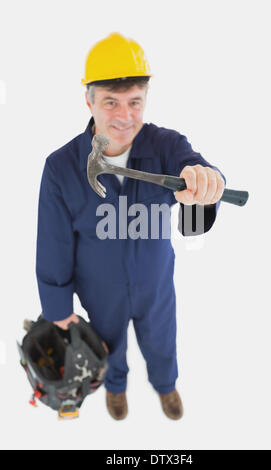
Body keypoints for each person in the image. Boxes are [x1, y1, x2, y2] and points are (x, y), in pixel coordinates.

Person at [36, 32, 226, 420]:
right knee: (109, 346)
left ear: (145, 100)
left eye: (134, 103)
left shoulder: (167, 147)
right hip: (98, 288)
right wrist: (57, 306)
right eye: (110, 102)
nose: (124, 117)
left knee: (162, 341)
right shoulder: (60, 167)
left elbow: (197, 171)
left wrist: (207, 182)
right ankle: (116, 389)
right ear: (88, 100)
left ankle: (166, 385)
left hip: (156, 283)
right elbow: (53, 243)